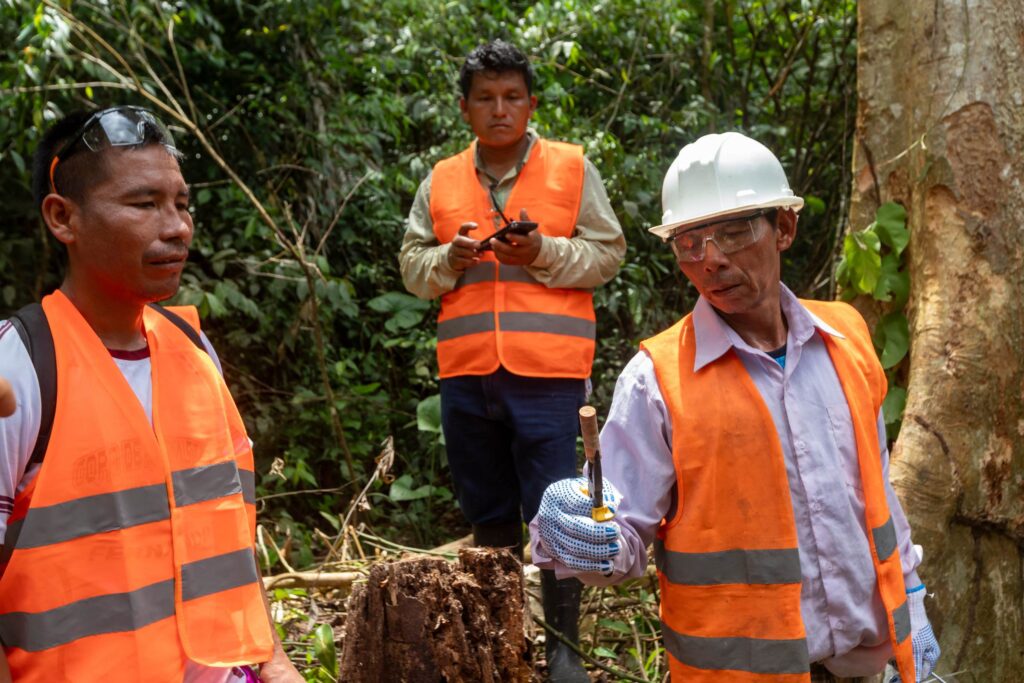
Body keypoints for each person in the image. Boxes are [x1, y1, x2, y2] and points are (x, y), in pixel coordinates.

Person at [531, 132, 942, 682]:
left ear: (785, 229)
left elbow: (879, 493)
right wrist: (576, 531)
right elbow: (620, 543)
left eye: (734, 231)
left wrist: (912, 596)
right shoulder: (656, 381)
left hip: (868, 668)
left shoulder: (845, 337)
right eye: (689, 241)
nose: (712, 259)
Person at [0, 106, 303, 683]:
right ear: (63, 218)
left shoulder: (194, 351)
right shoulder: (20, 369)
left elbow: (228, 537)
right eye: (144, 204)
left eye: (181, 204)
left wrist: (275, 661)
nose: (177, 228)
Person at [399, 40, 625, 681]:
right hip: (468, 377)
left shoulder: (572, 169)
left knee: (558, 512)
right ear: (466, 109)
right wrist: (451, 259)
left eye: (512, 97)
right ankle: (500, 643)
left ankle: (564, 654)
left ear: (530, 104)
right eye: (486, 99)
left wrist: (545, 253)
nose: (500, 110)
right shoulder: (439, 180)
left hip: (550, 377)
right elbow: (413, 268)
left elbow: (608, 254)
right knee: (488, 516)